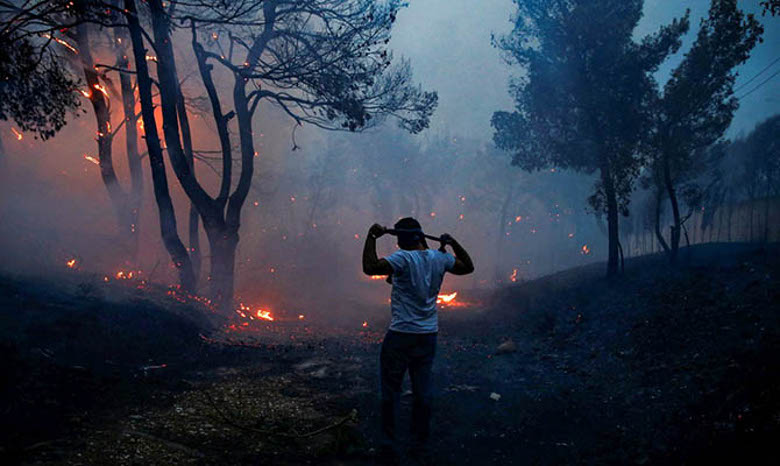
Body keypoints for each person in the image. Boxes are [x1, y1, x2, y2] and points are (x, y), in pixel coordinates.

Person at [362, 217, 475, 464]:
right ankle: (419, 445)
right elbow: (468, 266)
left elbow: (370, 267)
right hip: (427, 336)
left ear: (402, 241)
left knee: (390, 392)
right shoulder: (440, 258)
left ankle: (389, 445)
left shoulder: (402, 258)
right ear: (422, 236)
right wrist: (453, 242)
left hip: (401, 335)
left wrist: (371, 237)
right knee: (422, 392)